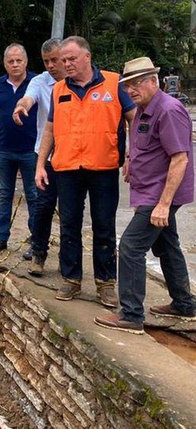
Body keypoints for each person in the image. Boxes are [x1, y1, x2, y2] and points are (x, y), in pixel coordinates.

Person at [95, 57, 196, 334]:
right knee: (167, 245)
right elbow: (143, 141)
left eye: (137, 83)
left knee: (130, 247)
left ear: (154, 80)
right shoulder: (144, 108)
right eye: (127, 85)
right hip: (150, 188)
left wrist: (163, 205)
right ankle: (185, 305)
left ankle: (131, 315)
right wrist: (131, 158)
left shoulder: (169, 110)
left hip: (160, 194)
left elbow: (180, 159)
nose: (131, 90)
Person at [35, 36, 136, 307]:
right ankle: (71, 279)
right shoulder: (58, 90)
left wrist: (133, 153)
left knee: (104, 226)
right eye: (63, 60)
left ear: (87, 57)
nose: (66, 64)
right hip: (67, 168)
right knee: (69, 226)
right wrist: (40, 164)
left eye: (71, 59)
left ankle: (105, 283)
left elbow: (135, 119)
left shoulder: (114, 84)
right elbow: (50, 129)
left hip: (103, 167)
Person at [12, 38, 67, 273]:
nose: (51, 65)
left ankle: (69, 258)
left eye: (55, 60)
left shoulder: (77, 83)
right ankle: (38, 252)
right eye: (46, 61)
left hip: (73, 156)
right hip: (44, 155)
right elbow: (29, 97)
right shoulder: (39, 82)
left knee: (70, 210)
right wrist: (21, 105)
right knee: (42, 206)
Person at [0, 43, 38, 254]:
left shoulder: (37, 83)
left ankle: (36, 241)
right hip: (4, 150)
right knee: (4, 193)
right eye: (10, 61)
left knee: (34, 196)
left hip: (32, 151)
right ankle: (1, 237)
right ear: (5, 64)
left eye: (19, 60)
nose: (15, 64)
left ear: (26, 61)